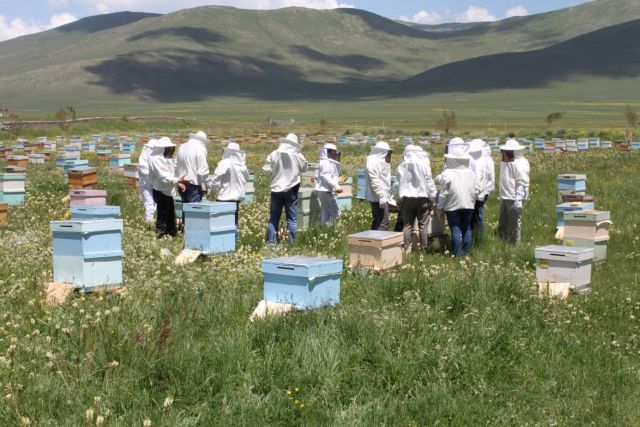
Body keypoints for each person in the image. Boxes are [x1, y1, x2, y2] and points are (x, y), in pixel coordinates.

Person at [263, 133, 308, 245]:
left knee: (274, 217)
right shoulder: (298, 155)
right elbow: (305, 168)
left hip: (276, 189)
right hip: (291, 190)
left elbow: (266, 170)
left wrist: (275, 170)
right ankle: (292, 244)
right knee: (292, 219)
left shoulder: (274, 154)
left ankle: (270, 242)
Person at [397, 144, 437, 251]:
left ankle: (405, 248)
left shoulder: (402, 166)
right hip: (422, 199)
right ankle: (423, 249)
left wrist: (398, 199)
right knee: (423, 226)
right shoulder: (424, 165)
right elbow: (429, 183)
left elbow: (398, 184)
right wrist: (432, 199)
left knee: (407, 225)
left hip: (407, 199)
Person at [206, 142, 250, 240]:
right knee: (234, 220)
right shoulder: (242, 165)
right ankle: (234, 240)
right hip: (236, 198)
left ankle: (223, 241)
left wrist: (212, 190)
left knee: (221, 222)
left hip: (224, 197)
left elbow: (217, 178)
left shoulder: (225, 162)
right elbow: (246, 179)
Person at [436, 152, 477, 257]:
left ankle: (457, 255)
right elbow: (476, 189)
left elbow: (443, 193)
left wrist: (439, 208)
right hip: (469, 204)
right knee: (467, 229)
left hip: (453, 205)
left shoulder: (448, 173)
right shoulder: (471, 173)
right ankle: (465, 253)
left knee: (456, 228)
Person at [498, 139, 530, 244]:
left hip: (514, 197)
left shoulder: (520, 163)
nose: (505, 153)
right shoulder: (506, 161)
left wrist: (519, 199)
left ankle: (515, 245)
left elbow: (522, 182)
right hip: (505, 196)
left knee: (514, 223)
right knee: (503, 221)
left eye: (507, 151)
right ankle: (503, 241)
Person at [148, 137, 179, 238]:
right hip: (160, 190)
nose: (170, 151)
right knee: (163, 213)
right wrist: (177, 180)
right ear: (162, 149)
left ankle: (171, 233)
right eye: (168, 148)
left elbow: (173, 171)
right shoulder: (154, 160)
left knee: (170, 212)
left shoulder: (166, 159)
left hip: (168, 189)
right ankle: (160, 234)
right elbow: (162, 176)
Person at [176, 130, 210, 204]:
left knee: (185, 211)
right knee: (193, 213)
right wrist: (208, 185)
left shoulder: (182, 146)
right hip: (193, 186)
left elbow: (176, 165)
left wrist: (178, 182)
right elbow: (203, 170)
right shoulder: (200, 148)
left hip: (181, 184)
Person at [365, 141, 393, 231]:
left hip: (377, 196)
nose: (388, 155)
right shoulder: (374, 162)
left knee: (377, 220)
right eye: (387, 153)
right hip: (379, 197)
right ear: (382, 152)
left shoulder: (375, 161)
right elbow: (374, 180)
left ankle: (371, 242)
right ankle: (378, 243)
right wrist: (381, 195)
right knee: (383, 222)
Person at [469, 139, 492, 234]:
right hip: (480, 191)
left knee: (478, 214)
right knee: (475, 214)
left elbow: (487, 177)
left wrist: (486, 190)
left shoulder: (483, 160)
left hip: (480, 192)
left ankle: (479, 235)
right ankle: (475, 234)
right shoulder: (483, 160)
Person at [316, 143, 342, 226]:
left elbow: (329, 176)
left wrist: (337, 181)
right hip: (325, 191)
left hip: (324, 191)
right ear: (328, 152)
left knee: (325, 215)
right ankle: (328, 229)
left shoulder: (327, 162)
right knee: (337, 214)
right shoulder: (325, 162)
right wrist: (336, 186)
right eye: (334, 152)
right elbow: (326, 176)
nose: (336, 154)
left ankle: (323, 231)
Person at [138, 138, 158, 224]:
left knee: (153, 204)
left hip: (150, 184)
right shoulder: (145, 157)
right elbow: (144, 171)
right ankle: (148, 222)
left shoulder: (144, 156)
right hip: (147, 184)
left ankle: (149, 221)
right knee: (150, 204)